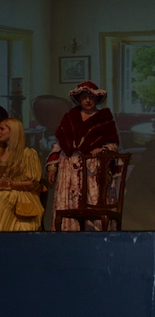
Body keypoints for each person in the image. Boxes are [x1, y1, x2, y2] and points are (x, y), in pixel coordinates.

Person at [46, 81, 120, 231]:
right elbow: (60, 144)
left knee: (93, 201)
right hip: (69, 167)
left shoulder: (103, 119)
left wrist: (101, 149)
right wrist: (52, 166)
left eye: (91, 97)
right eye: (84, 97)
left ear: (97, 99)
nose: (88, 100)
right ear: (78, 99)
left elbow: (113, 144)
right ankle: (68, 233)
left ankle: (94, 233)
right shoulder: (70, 117)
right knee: (69, 203)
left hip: (93, 168)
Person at [0, 118, 45, 231]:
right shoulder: (1, 152)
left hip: (20, 196)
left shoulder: (28, 154)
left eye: (2, 129)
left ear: (13, 131)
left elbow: (32, 184)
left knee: (3, 199)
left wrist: (9, 184)